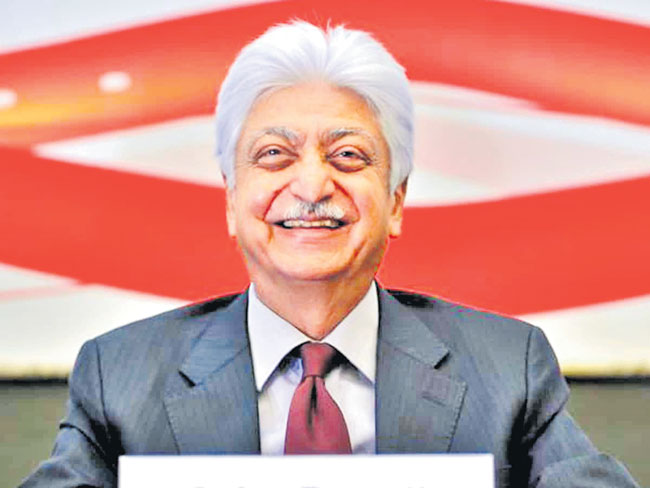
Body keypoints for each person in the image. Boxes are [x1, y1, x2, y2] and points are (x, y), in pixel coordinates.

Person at [21, 20, 638, 488]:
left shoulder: (507, 368)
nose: (313, 185)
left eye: (347, 155)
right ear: (232, 201)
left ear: (395, 202)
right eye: (274, 155)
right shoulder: (120, 376)